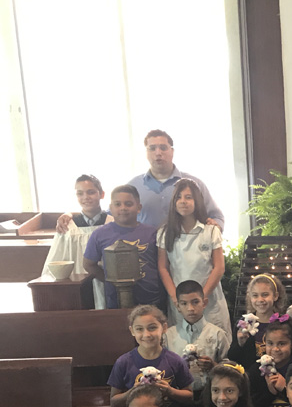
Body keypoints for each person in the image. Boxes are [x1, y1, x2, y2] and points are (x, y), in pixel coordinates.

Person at [55, 130, 225, 232]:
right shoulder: (133, 186)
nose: (158, 153)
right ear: (146, 152)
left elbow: (216, 217)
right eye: (152, 148)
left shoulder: (193, 184)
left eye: (163, 148)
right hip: (146, 257)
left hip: (188, 256)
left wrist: (213, 229)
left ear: (172, 151)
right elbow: (108, 216)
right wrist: (71, 216)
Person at [157, 179, 231, 345]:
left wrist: (201, 297)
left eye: (189, 197)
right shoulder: (165, 232)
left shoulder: (210, 230)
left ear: (197, 201)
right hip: (179, 300)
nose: (183, 201)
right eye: (179, 197)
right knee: (182, 345)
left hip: (208, 299)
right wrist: (176, 298)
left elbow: (219, 268)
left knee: (214, 343)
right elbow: (163, 267)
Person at [108, 305, 194, 407]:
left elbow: (189, 396)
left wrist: (170, 391)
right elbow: (114, 403)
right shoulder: (123, 362)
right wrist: (132, 392)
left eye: (152, 328)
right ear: (132, 331)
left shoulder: (175, 360)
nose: (146, 334)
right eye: (139, 329)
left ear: (164, 328)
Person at [83, 184, 163, 309]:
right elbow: (88, 264)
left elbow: (162, 264)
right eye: (117, 204)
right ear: (111, 208)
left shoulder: (152, 233)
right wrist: (110, 280)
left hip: (150, 298)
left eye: (129, 204)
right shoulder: (100, 234)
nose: (123, 208)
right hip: (116, 300)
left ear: (138, 207)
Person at [41, 174, 109, 308]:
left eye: (91, 192)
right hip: (76, 286)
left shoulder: (112, 224)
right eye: (80, 193)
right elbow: (55, 261)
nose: (86, 197)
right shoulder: (68, 228)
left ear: (101, 194)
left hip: (105, 284)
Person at [165, 280, 230, 399]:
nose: (190, 308)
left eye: (195, 302)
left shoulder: (218, 334)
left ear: (204, 303)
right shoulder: (169, 335)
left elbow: (229, 369)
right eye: (184, 303)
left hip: (210, 395)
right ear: (177, 306)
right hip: (178, 395)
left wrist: (213, 366)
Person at [246, 318, 292, 407]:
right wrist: (270, 392)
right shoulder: (256, 369)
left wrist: (285, 389)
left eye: (282, 344)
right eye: (270, 343)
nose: (275, 349)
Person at [229, 273, 289, 369]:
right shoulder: (243, 324)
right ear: (250, 297)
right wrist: (240, 344)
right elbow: (233, 358)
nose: (260, 299)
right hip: (250, 376)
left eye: (265, 295)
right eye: (255, 295)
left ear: (275, 296)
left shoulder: (284, 322)